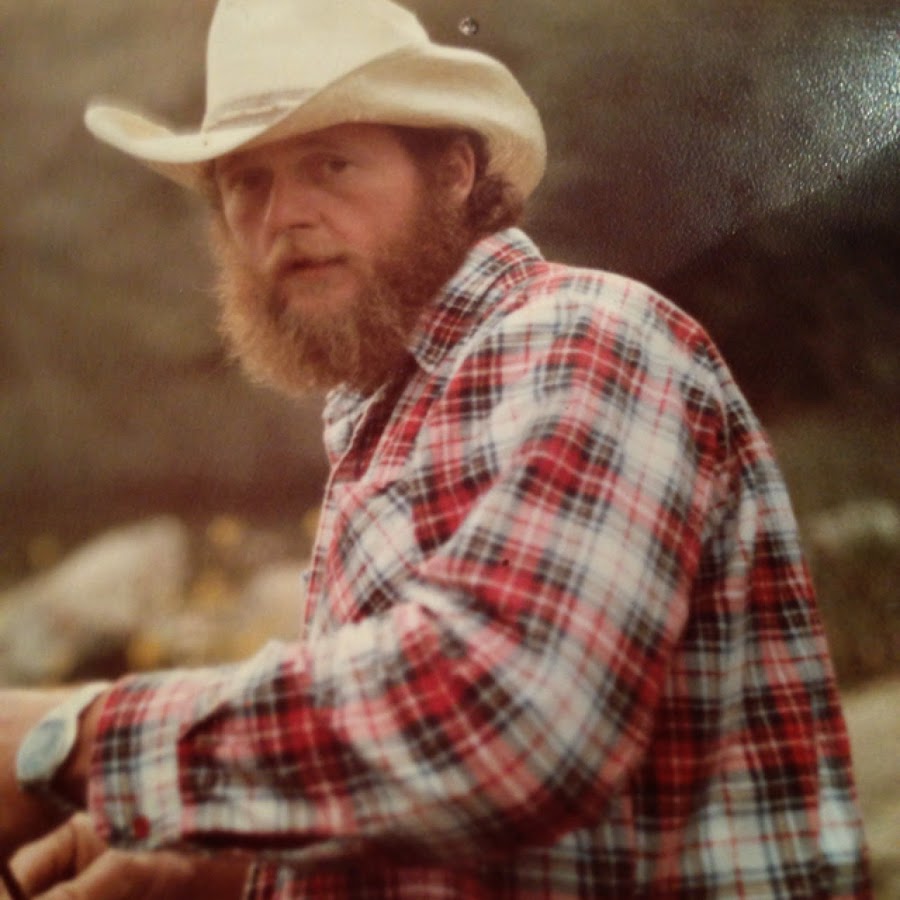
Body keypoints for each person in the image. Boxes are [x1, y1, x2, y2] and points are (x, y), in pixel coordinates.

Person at [0, 0, 871, 897]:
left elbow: (509, 724)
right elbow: (450, 800)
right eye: (247, 182)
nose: (284, 215)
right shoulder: (396, 409)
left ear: (453, 171)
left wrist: (65, 742)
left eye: (331, 164)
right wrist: (216, 862)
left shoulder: (583, 338)